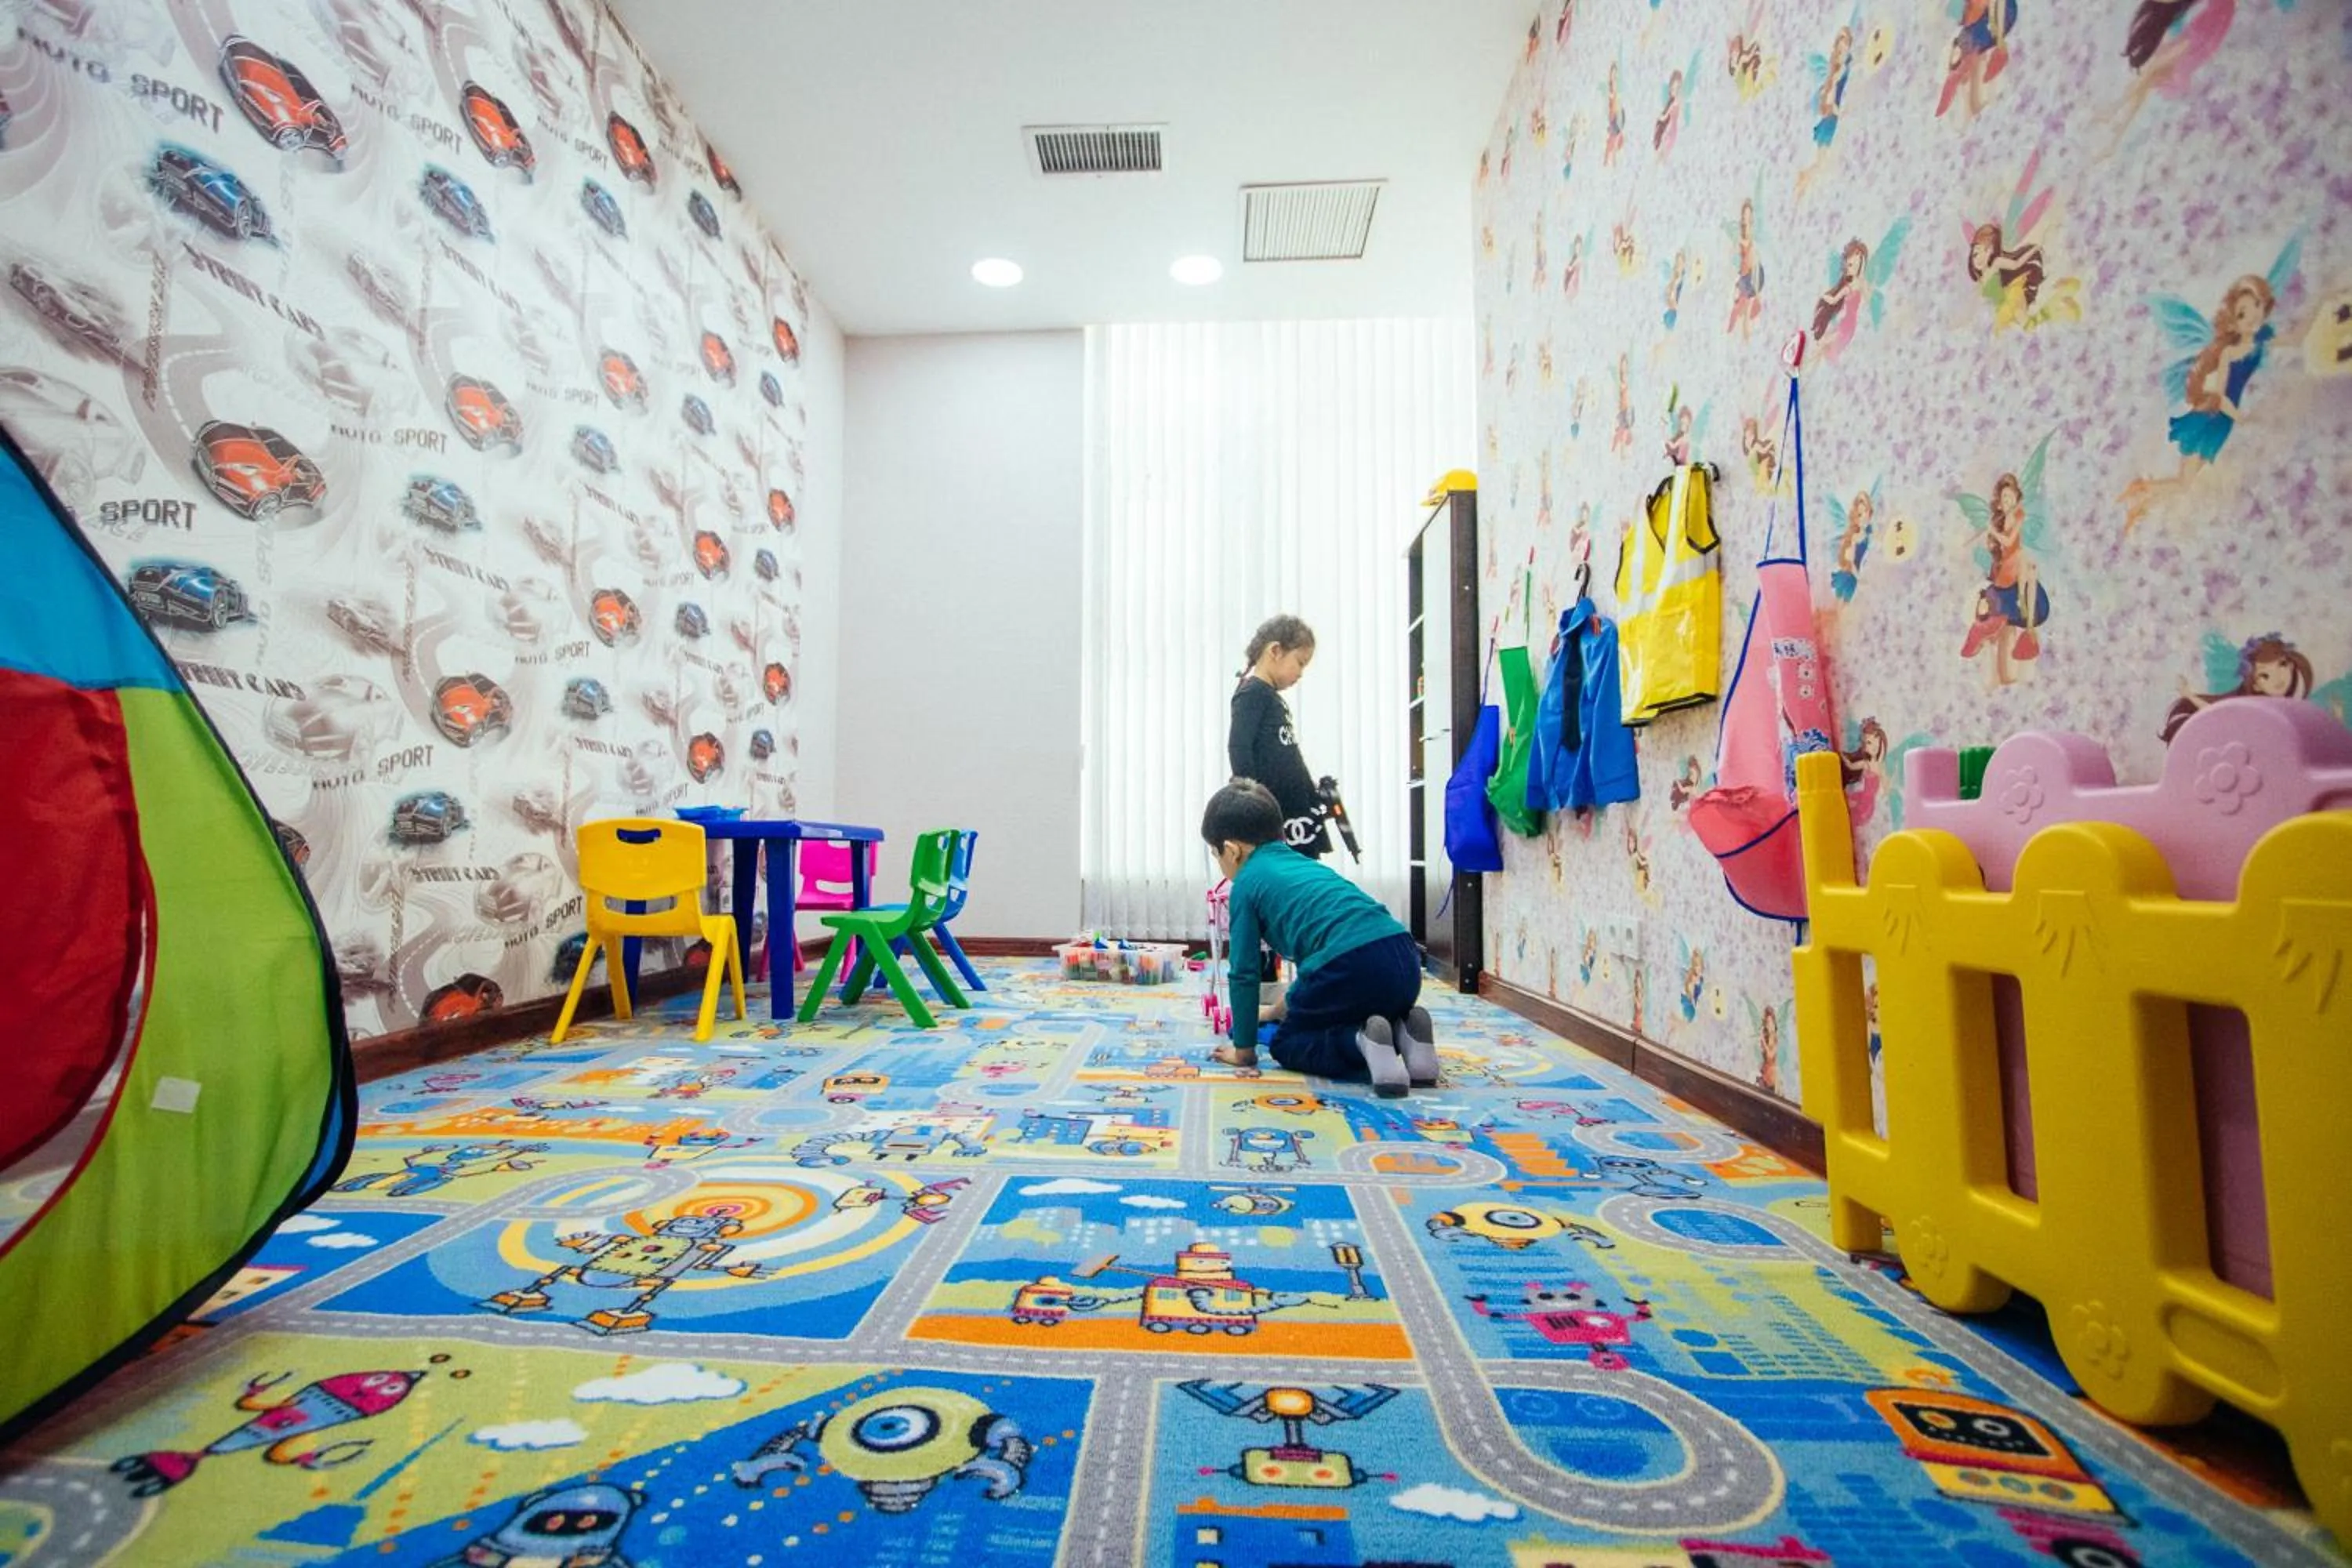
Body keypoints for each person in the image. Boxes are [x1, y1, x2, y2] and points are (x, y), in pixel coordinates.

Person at [1202, 781, 1432, 1096]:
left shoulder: (1245, 885)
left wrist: (1244, 1050)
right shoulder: (1306, 866)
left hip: (1348, 966)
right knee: (1342, 1004)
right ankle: (1408, 1037)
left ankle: (1360, 1042)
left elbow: (1244, 971)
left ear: (1232, 850)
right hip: (1402, 957)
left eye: (1217, 855)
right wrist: (1269, 1012)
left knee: (1288, 1043)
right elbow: (1312, 980)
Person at [1229, 615, 1330, 858]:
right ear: (1275, 651)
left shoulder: (1270, 696)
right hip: (1276, 814)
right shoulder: (1252, 693)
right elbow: (1239, 747)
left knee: (1306, 872)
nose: (1301, 673)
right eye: (1300, 663)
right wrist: (1251, 801)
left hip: (1295, 811)